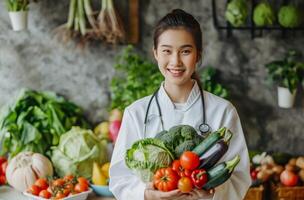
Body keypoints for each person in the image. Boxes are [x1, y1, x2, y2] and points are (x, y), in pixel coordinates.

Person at [109, 9, 251, 200]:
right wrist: (147, 195)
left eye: (185, 51)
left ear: (198, 55)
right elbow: (119, 180)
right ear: (155, 53)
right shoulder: (136, 113)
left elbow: (240, 179)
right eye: (167, 51)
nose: (175, 61)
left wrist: (211, 193)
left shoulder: (223, 111)